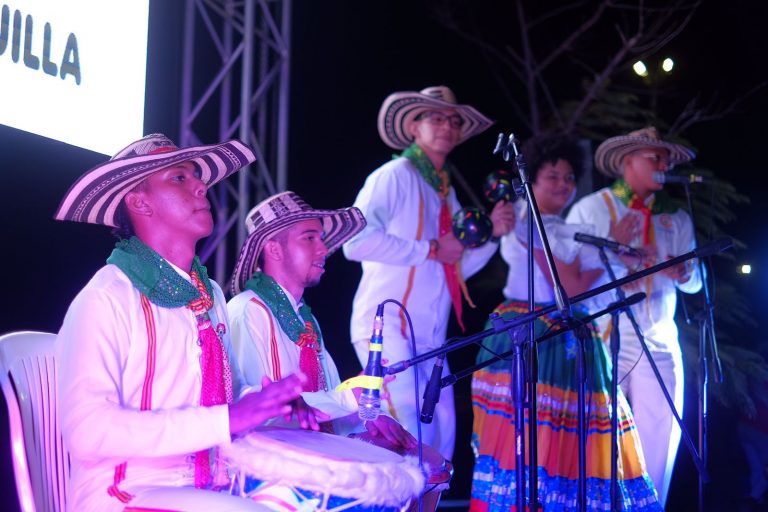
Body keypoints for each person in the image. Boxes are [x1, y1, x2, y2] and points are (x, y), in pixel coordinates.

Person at [54, 134, 306, 512]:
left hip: (207, 485)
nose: (202, 185)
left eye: (196, 177)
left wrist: (273, 403)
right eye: (179, 178)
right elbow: (87, 431)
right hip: (126, 493)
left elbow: (227, 399)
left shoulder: (210, 295)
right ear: (140, 202)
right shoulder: (107, 296)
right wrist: (227, 418)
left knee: (300, 499)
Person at [470, 133, 662, 511]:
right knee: (536, 441)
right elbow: (569, 287)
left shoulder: (559, 226)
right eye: (552, 176)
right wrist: (610, 246)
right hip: (535, 332)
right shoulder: (526, 220)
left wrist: (617, 253)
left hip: (569, 333)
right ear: (533, 179)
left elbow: (579, 282)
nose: (563, 185)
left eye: (569, 177)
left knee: (574, 439)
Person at [343, 86, 516, 460]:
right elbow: (354, 242)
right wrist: (430, 248)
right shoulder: (394, 175)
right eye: (435, 118)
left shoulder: (444, 192)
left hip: (432, 337)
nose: (447, 126)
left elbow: (453, 271)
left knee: (441, 443)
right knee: (410, 436)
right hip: (386, 326)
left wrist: (493, 237)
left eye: (453, 120)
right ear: (413, 127)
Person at [565, 127, 702, 506]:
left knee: (660, 438)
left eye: (665, 160)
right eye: (654, 158)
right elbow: (570, 277)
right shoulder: (592, 209)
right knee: (598, 439)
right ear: (627, 162)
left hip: (659, 340)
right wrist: (613, 250)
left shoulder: (674, 219)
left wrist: (686, 273)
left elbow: (696, 282)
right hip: (606, 338)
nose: (663, 165)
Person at [228, 190, 416, 447]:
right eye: (309, 238)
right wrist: (351, 398)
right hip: (271, 472)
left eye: (322, 239)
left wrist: (368, 414)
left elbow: (330, 403)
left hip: (310, 459)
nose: (324, 249)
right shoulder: (246, 311)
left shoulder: (307, 321)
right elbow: (255, 411)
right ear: (273, 249)